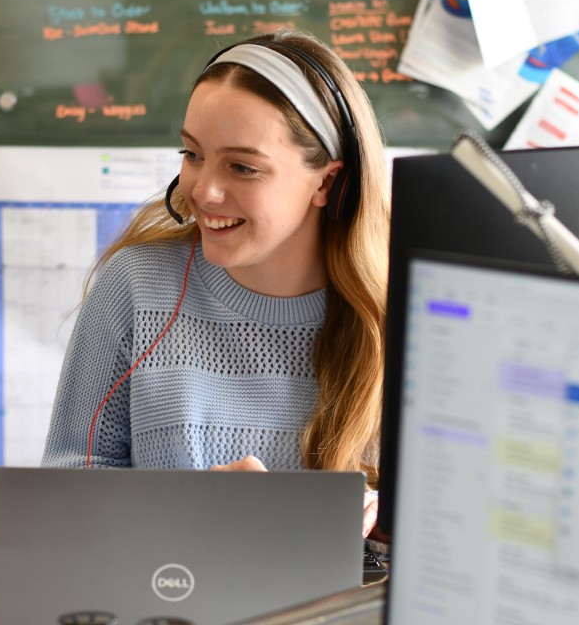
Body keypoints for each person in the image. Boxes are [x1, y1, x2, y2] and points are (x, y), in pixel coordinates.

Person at [42, 28, 390, 537]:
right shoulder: (136, 286)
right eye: (192, 154)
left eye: (242, 167)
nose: (203, 191)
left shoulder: (392, 316)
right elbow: (62, 499)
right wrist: (195, 513)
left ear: (327, 182)